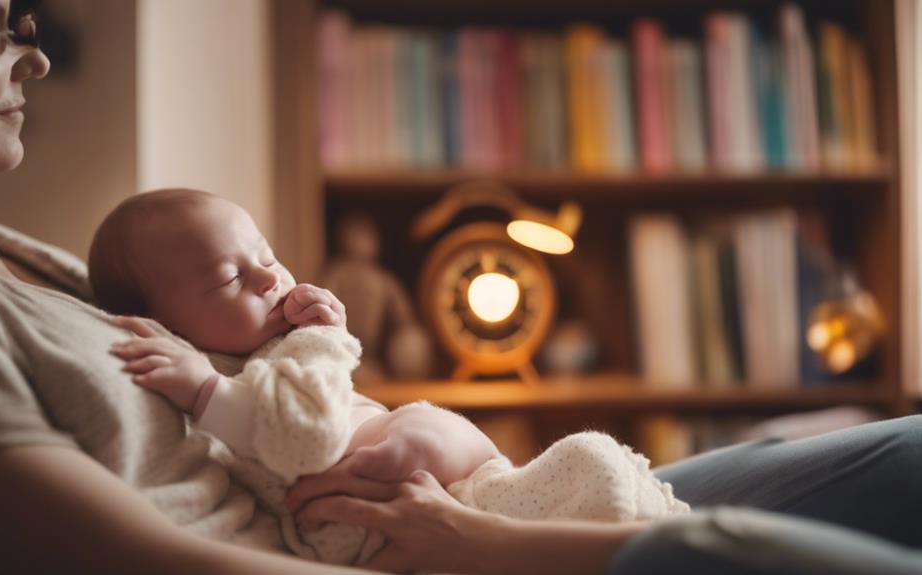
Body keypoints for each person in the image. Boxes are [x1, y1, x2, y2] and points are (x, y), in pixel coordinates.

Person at [0, 1, 919, 574]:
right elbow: (133, 559)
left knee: (899, 453)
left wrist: (452, 452)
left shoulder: (7, 248)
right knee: (730, 553)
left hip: (476, 501)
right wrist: (471, 546)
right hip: (422, 550)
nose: (35, 55)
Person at [85, 188, 687, 563]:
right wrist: (321, 340)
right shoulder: (228, 381)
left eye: (266, 257)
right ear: (164, 324)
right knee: (591, 468)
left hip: (456, 492)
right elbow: (305, 434)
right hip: (425, 518)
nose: (270, 279)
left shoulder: (264, 359)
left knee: (591, 473)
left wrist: (427, 429)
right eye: (230, 280)